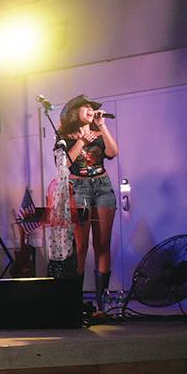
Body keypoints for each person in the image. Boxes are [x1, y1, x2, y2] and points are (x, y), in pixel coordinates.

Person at [58, 94, 119, 311]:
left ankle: (102, 304)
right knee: (81, 245)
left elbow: (113, 152)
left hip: (102, 186)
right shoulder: (65, 137)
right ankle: (76, 300)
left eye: (92, 108)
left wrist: (102, 126)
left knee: (102, 243)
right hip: (79, 188)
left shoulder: (99, 133)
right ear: (75, 112)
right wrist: (82, 141)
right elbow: (65, 164)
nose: (90, 110)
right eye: (85, 107)